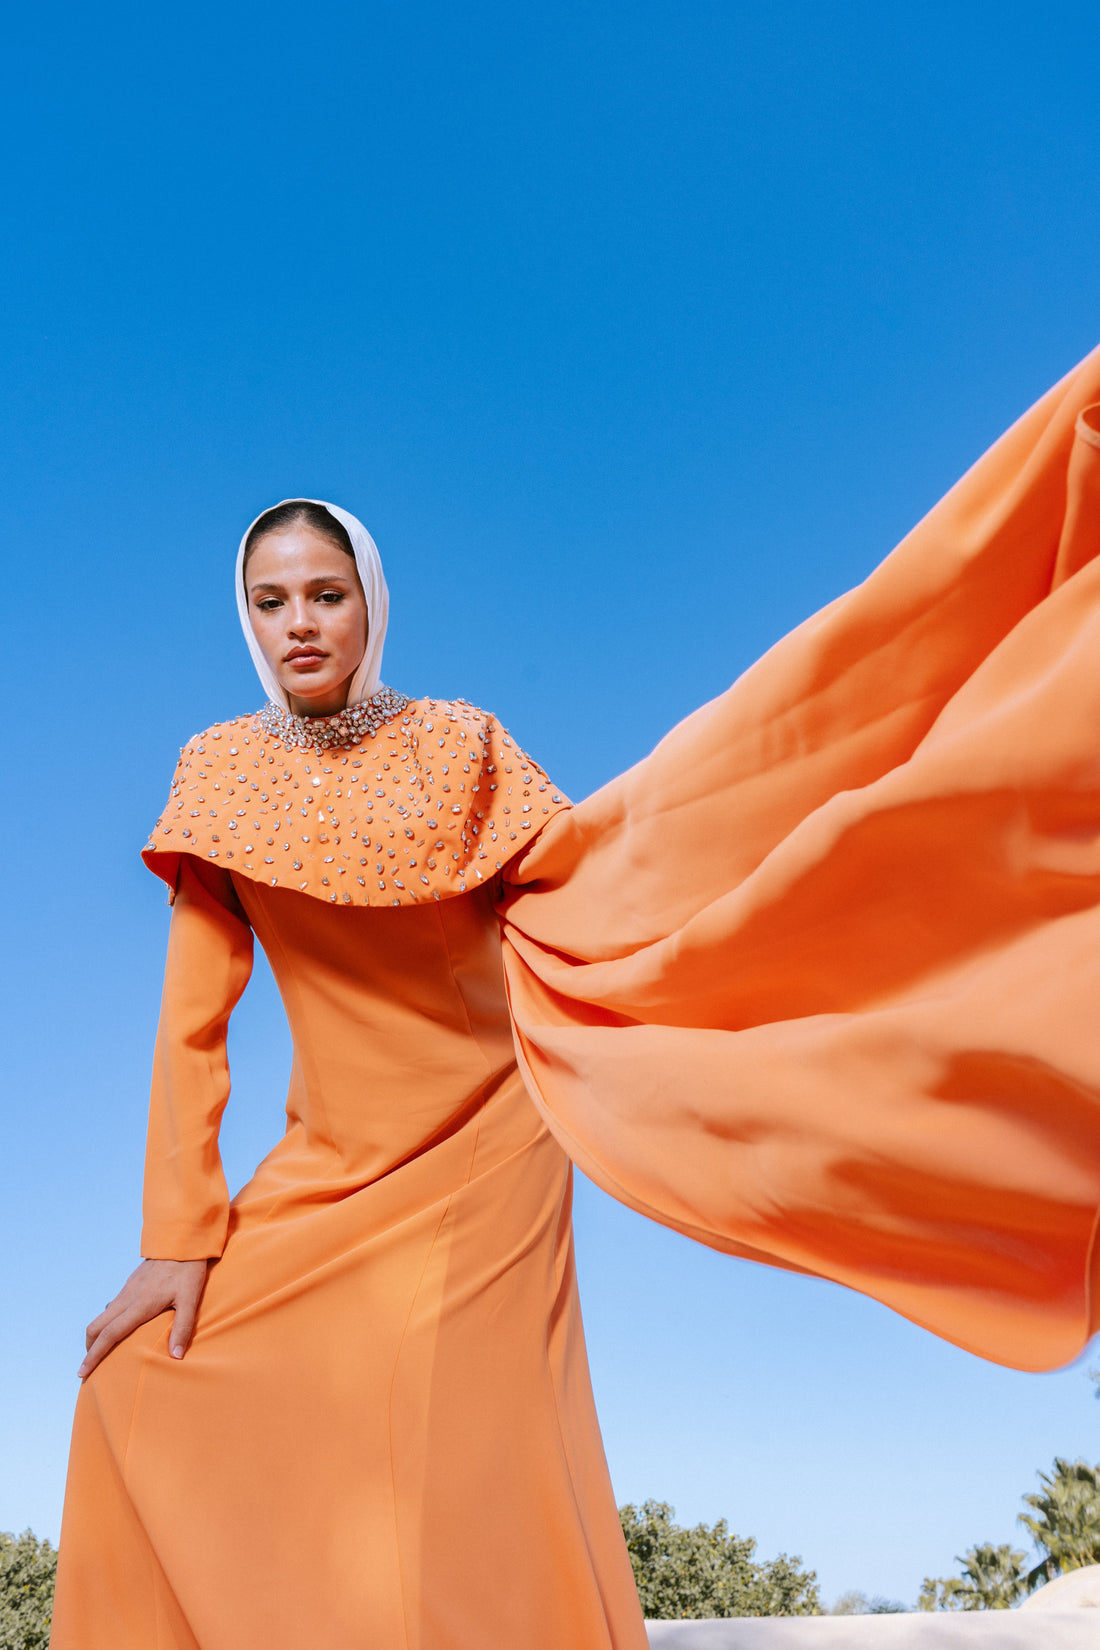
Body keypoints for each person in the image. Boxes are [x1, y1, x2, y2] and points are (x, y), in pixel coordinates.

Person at [51, 345, 1100, 1648]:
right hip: (328, 1157)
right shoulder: (214, 773)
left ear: (372, 602)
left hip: (492, 1132)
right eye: (273, 601)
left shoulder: (466, 742)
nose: (302, 621)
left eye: (327, 592)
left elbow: (582, 885)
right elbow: (190, 1022)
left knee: (462, 1448)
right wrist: (178, 1232)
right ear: (247, 619)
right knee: (135, 1392)